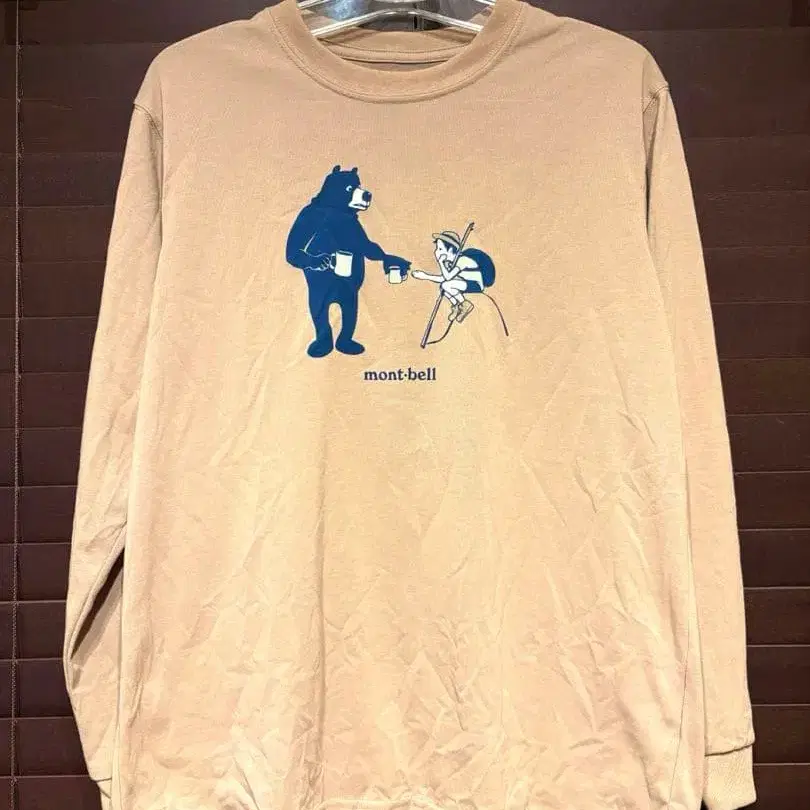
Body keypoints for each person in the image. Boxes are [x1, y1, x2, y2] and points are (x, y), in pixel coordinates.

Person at [411, 230, 485, 323]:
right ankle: (456, 305)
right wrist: (425, 276)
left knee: (446, 285)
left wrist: (440, 262)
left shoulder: (462, 260)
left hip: (475, 285)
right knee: (443, 287)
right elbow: (443, 278)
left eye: (440, 249)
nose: (436, 252)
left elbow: (448, 277)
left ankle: (464, 303)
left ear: (450, 250)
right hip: (464, 283)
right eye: (437, 248)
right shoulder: (450, 263)